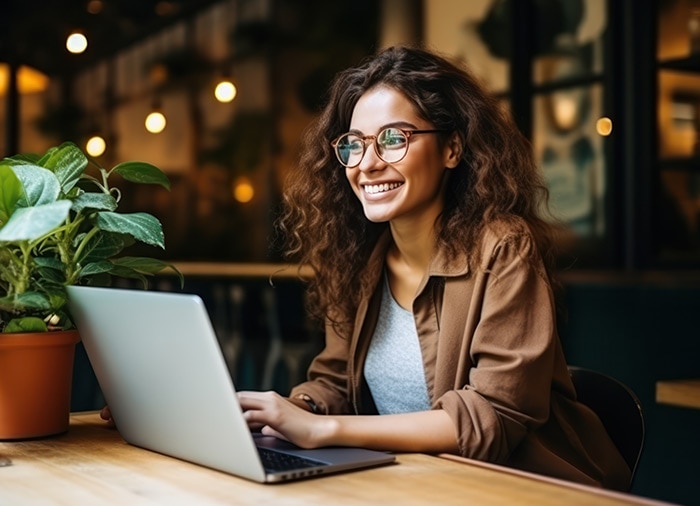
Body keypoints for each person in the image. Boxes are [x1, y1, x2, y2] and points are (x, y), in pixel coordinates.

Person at [103, 45, 630, 490]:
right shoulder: (359, 259)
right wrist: (278, 412)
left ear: (451, 148)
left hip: (523, 490)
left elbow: (492, 419)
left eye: (394, 139)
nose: (368, 163)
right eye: (353, 145)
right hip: (417, 486)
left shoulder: (503, 247)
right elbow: (334, 383)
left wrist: (323, 432)